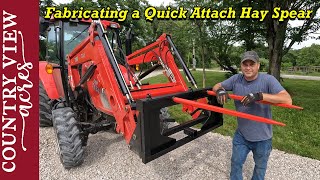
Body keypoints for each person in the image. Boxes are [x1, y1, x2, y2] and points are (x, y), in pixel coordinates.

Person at [212, 51, 292, 180]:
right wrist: (220, 90)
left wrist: (259, 96)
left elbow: (287, 99)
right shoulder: (236, 79)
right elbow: (217, 85)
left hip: (263, 138)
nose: (248, 68)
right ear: (241, 66)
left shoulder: (268, 80)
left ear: (258, 65)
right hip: (242, 134)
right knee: (236, 163)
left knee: (260, 167)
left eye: (252, 64)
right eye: (245, 64)